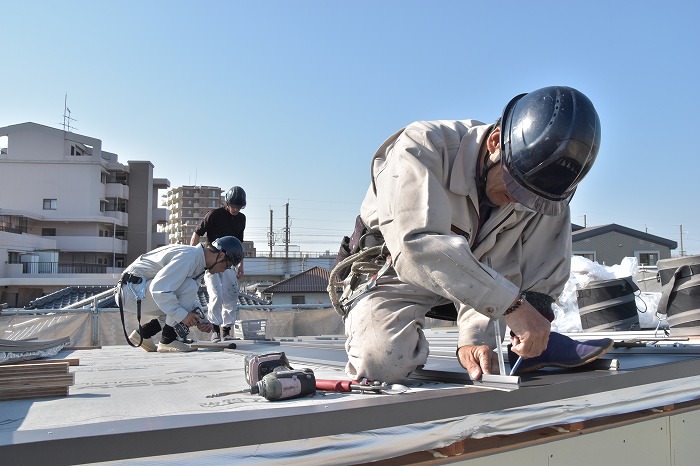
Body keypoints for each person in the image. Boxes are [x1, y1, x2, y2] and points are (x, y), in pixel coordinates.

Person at [330, 85, 613, 383]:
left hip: (483, 274)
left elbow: (496, 261)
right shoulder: (422, 147)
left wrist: (477, 335)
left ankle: (530, 343)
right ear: (494, 143)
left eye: (529, 197)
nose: (518, 202)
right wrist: (511, 305)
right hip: (392, 268)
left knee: (552, 208)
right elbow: (416, 247)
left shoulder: (530, 192)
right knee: (381, 363)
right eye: (514, 188)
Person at [116, 236, 244, 352]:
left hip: (135, 290)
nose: (223, 271)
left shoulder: (198, 261)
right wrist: (184, 316)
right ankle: (168, 340)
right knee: (186, 289)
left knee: (178, 301)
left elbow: (184, 298)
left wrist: (201, 319)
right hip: (131, 292)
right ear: (221, 256)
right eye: (227, 266)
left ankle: (144, 333)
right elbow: (159, 289)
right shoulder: (189, 258)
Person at [191, 186, 247, 342]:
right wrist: (193, 257)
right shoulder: (214, 215)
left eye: (239, 206)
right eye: (233, 205)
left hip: (229, 262)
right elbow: (197, 234)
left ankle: (227, 331)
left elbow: (239, 244)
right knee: (216, 294)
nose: (235, 209)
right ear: (227, 203)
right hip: (212, 262)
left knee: (231, 295)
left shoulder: (241, 219)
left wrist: (241, 266)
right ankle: (215, 330)